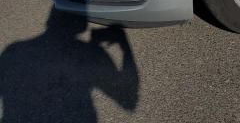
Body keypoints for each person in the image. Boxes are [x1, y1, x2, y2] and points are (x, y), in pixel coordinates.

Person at [0, 7, 139, 122]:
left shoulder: (14, 50)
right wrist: (123, 43)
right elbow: (128, 102)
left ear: (49, 21)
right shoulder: (92, 52)